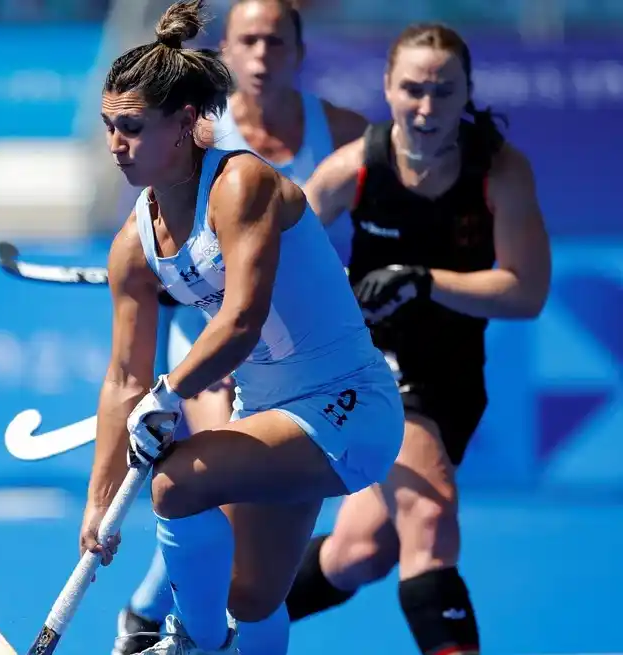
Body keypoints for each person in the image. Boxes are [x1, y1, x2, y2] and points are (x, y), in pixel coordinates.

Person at [85, 1, 404, 653]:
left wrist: (167, 393)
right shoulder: (131, 245)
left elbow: (239, 320)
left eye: (132, 128)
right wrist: (99, 501)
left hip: (347, 404)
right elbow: (122, 377)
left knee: (177, 481)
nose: (115, 144)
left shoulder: (240, 184)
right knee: (251, 595)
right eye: (108, 127)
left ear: (182, 124)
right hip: (270, 413)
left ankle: (192, 641)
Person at [283, 23, 551, 655]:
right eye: (412, 90)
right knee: (429, 518)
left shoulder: (500, 174)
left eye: (443, 91)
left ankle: (217, 627)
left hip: (455, 379)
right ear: (388, 88)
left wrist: (423, 281)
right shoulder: (353, 169)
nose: (427, 108)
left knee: (360, 553)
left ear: (466, 94)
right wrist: (189, 271)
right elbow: (270, 248)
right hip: (375, 372)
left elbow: (526, 292)